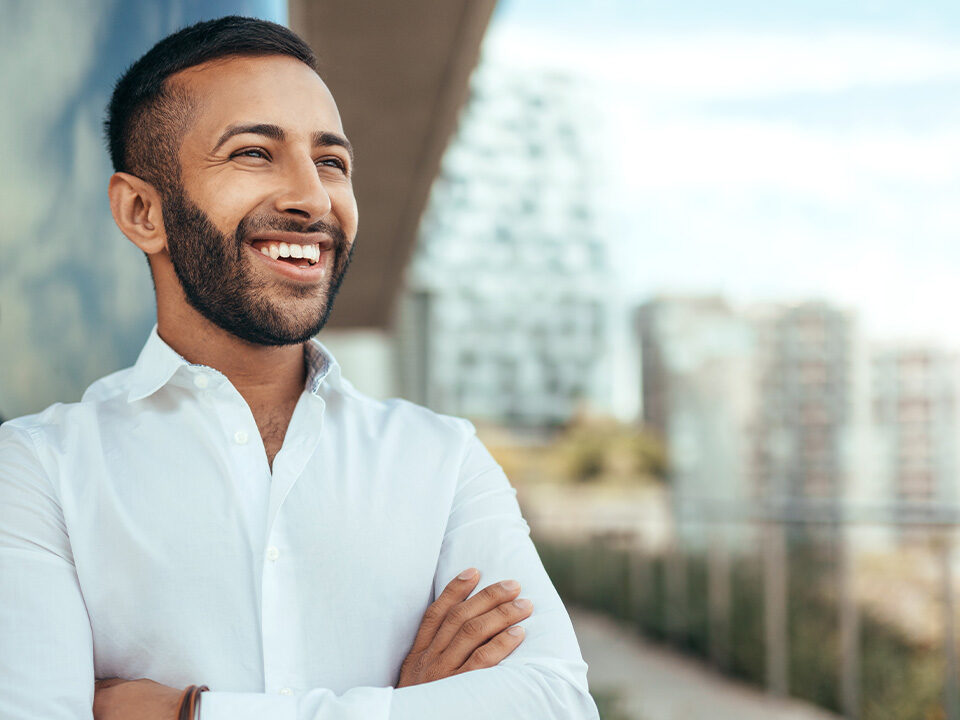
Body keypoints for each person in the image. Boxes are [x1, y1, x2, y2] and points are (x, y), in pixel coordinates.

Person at [0, 15, 597, 720]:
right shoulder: (38, 473)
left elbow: (556, 703)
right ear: (141, 211)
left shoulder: (443, 460)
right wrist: (406, 707)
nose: (312, 198)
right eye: (254, 153)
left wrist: (188, 714)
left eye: (332, 162)